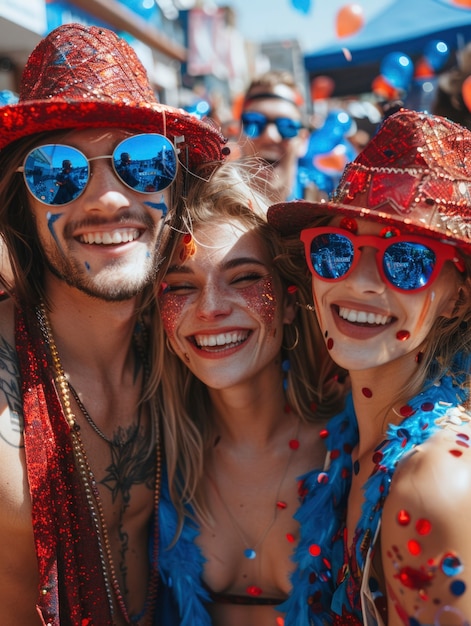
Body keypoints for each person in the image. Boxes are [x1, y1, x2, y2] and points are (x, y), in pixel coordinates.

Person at [0, 22, 226, 626]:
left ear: (174, 189)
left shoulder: (198, 349)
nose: (107, 199)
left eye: (142, 163)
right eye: (57, 170)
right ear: (22, 197)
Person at [267, 108, 471, 625]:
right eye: (335, 250)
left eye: (406, 260)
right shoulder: (349, 435)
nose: (359, 283)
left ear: (457, 300)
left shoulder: (433, 483)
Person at [152, 160, 347, 625]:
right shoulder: (154, 463)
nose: (212, 308)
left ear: (288, 303)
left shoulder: (353, 455)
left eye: (243, 278)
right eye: (181, 287)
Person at [238, 70, 314, 204]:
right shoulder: (209, 212)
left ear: (303, 140)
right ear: (239, 135)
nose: (270, 136)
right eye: (254, 123)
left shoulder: (327, 206)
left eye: (286, 126)